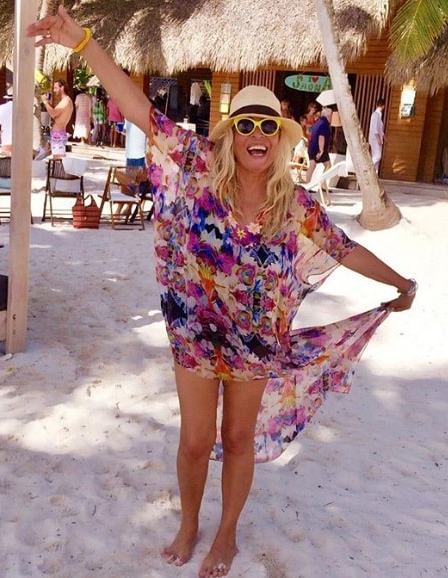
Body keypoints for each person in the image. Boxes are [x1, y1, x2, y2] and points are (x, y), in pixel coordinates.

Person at [29, 8, 417, 578]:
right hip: (195, 330)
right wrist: (82, 42)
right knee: (194, 441)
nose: (257, 135)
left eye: (268, 127)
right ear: (231, 132)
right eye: (247, 125)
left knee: (237, 439)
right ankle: (189, 523)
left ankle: (227, 534)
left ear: (279, 139)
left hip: (255, 339)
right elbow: (137, 109)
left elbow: (345, 248)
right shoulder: (197, 163)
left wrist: (400, 283)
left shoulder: (295, 205)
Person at [41, 79, 74, 159]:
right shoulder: (66, 100)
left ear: (62, 88)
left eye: (56, 88)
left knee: (58, 159)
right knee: (57, 159)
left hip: (58, 134)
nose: (54, 90)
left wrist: (45, 102)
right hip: (58, 133)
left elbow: (53, 113)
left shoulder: (66, 101)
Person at [305, 105, 332, 183]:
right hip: (319, 149)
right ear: (328, 115)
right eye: (331, 115)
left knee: (312, 165)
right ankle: (322, 183)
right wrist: (321, 150)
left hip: (312, 148)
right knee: (328, 165)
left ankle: (307, 183)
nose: (331, 117)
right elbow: (321, 137)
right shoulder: (324, 124)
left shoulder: (318, 122)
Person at [368, 98, 386, 175]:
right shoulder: (376, 115)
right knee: (377, 156)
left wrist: (384, 137)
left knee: (375, 156)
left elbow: (380, 129)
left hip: (378, 138)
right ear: (383, 106)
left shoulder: (378, 115)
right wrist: (378, 138)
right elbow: (375, 128)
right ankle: (368, 168)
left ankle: (375, 173)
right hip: (375, 139)